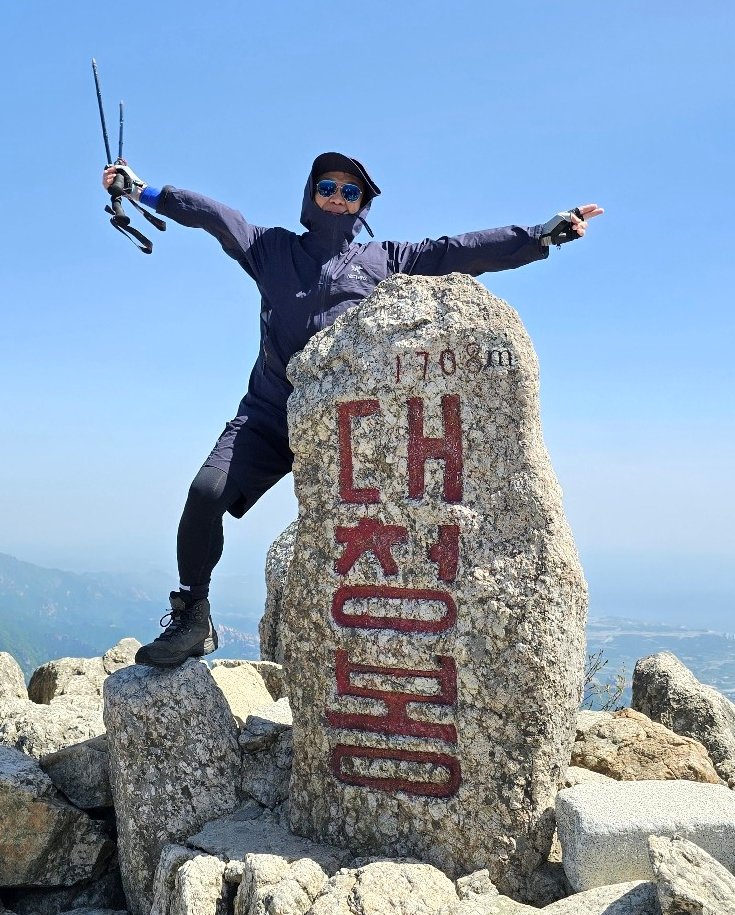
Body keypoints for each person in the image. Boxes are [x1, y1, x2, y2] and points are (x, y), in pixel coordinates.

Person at [102, 151, 603, 668]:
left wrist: (540, 236)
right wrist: (141, 192)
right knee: (205, 492)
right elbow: (212, 215)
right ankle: (192, 614)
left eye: (350, 191)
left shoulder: (386, 259)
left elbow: (459, 251)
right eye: (328, 187)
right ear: (309, 194)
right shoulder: (270, 248)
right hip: (271, 413)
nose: (337, 198)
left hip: (352, 427)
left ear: (364, 203)